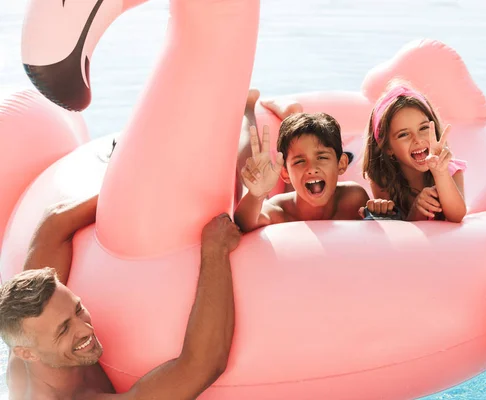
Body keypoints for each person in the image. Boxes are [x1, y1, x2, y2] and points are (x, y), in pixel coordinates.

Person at [1, 194, 241, 399]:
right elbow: (203, 366)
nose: (85, 328)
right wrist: (215, 248)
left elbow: (53, 223)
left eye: (77, 309)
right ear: (26, 353)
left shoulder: (33, 327)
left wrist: (136, 196)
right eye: (63, 330)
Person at [234, 101, 370, 232]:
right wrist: (256, 195)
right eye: (300, 161)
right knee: (252, 180)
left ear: (341, 164)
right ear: (285, 173)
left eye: (322, 157)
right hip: (280, 197)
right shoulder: (279, 211)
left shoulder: (353, 199)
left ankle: (291, 115)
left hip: (298, 193)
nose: (311, 168)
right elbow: (246, 222)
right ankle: (248, 108)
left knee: (301, 174)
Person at [361, 82, 467, 222]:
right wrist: (416, 208)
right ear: (388, 148)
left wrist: (441, 173)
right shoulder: (383, 178)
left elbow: (457, 216)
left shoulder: (450, 170)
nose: (417, 140)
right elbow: (399, 232)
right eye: (404, 134)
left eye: (423, 128)